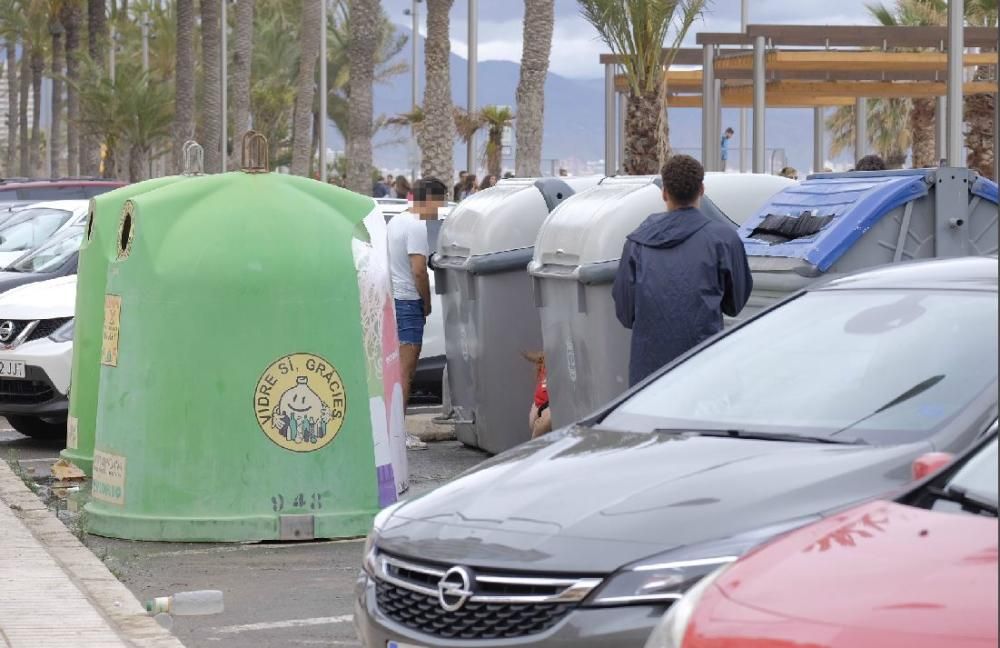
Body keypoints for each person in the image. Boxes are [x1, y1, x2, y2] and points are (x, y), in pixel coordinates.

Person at [612, 155, 753, 386]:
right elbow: (735, 304)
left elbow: (626, 313)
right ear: (702, 190)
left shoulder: (637, 242)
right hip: (704, 370)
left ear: (664, 193)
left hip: (648, 379)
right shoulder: (723, 239)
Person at [387, 177, 448, 449]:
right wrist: (426, 303)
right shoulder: (416, 226)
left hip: (393, 299)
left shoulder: (396, 222)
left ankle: (392, 430)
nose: (439, 209)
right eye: (440, 202)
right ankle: (398, 434)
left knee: (395, 371)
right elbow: (419, 270)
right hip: (408, 302)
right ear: (429, 199)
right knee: (406, 371)